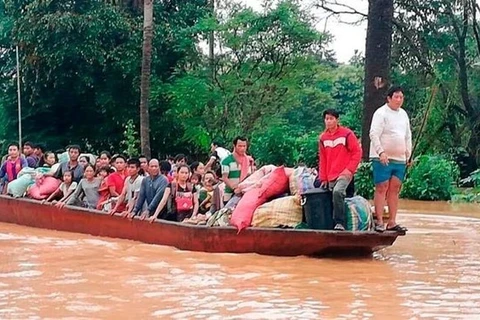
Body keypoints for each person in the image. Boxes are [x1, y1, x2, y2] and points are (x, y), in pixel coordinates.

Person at [370, 86, 411, 233]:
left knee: (395, 189)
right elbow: (374, 134)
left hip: (400, 158)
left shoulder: (404, 114)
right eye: (396, 97)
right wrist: (381, 152)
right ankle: (380, 221)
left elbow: (407, 136)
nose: (399, 100)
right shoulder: (381, 113)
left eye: (401, 97)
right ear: (389, 98)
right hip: (382, 157)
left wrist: (409, 154)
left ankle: (392, 221)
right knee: (382, 188)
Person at [319, 109, 362, 231]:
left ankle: (340, 223)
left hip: (345, 173)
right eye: (327, 119)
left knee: (337, 192)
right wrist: (323, 178)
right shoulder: (323, 138)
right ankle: (329, 223)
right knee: (327, 196)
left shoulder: (347, 134)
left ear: (337, 120)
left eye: (331, 119)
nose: (328, 121)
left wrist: (350, 170)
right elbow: (323, 159)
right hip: (331, 174)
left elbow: (357, 152)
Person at [221, 136, 253, 204]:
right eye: (240, 146)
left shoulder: (248, 160)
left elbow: (250, 175)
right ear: (234, 146)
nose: (242, 148)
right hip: (229, 194)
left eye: (244, 146)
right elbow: (224, 177)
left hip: (244, 193)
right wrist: (234, 188)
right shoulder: (226, 161)